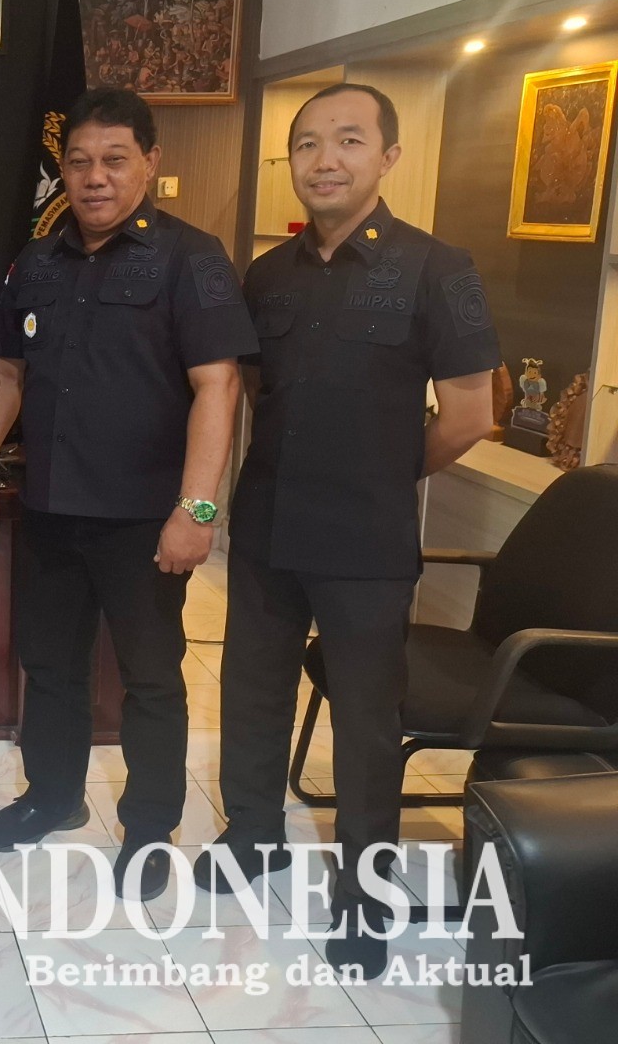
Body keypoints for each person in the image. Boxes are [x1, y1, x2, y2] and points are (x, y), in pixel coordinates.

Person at [199, 83, 500, 978]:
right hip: (267, 525)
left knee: (367, 724)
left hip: (367, 541)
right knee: (252, 691)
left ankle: (364, 897)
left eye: (348, 141)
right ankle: (253, 836)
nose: (324, 160)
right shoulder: (267, 275)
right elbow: (261, 394)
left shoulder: (440, 268)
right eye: (307, 144)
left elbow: (471, 415)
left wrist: (382, 471)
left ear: (388, 157)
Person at [0, 87, 256, 901]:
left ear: (150, 163)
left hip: (144, 518)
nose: (96, 177)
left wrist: (197, 510)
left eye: (115, 160)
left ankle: (152, 826)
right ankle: (53, 795)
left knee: (150, 677)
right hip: (51, 507)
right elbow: (11, 377)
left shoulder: (191, 258)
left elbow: (219, 386)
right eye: (81, 161)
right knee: (50, 665)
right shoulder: (37, 261)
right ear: (63, 169)